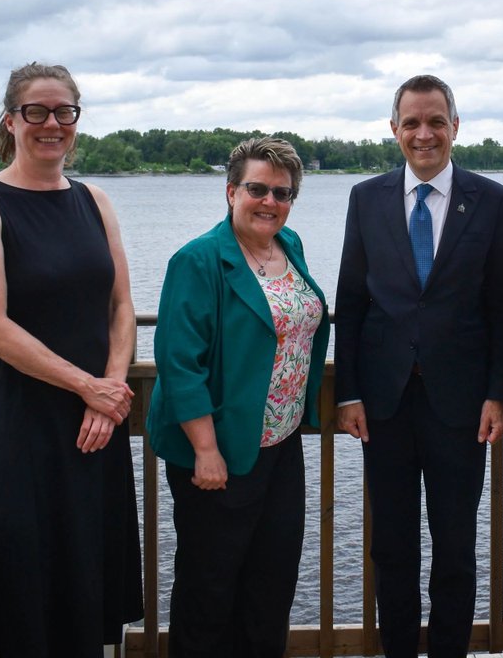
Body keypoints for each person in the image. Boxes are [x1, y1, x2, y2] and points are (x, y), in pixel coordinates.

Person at [0, 62, 143, 657]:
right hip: (20, 415)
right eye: (36, 111)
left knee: (91, 563)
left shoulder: (95, 200)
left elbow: (122, 306)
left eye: (64, 111)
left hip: (95, 418)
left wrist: (109, 392)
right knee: (32, 570)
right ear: (11, 120)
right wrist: (88, 386)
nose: (51, 123)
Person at [336, 74, 503, 658]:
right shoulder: (365, 198)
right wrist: (348, 393)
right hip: (384, 405)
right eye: (411, 122)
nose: (424, 134)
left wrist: (498, 394)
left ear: (455, 127)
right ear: (394, 130)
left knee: (456, 548)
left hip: (461, 407)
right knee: (391, 548)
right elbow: (351, 302)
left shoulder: (491, 200)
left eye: (436, 121)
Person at [146, 137, 330, 657]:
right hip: (219, 451)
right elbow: (180, 364)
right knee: (209, 589)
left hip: (280, 444)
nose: (269, 201)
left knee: (272, 583)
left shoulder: (288, 244)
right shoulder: (198, 260)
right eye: (257, 189)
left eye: (282, 193)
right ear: (231, 192)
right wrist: (206, 450)